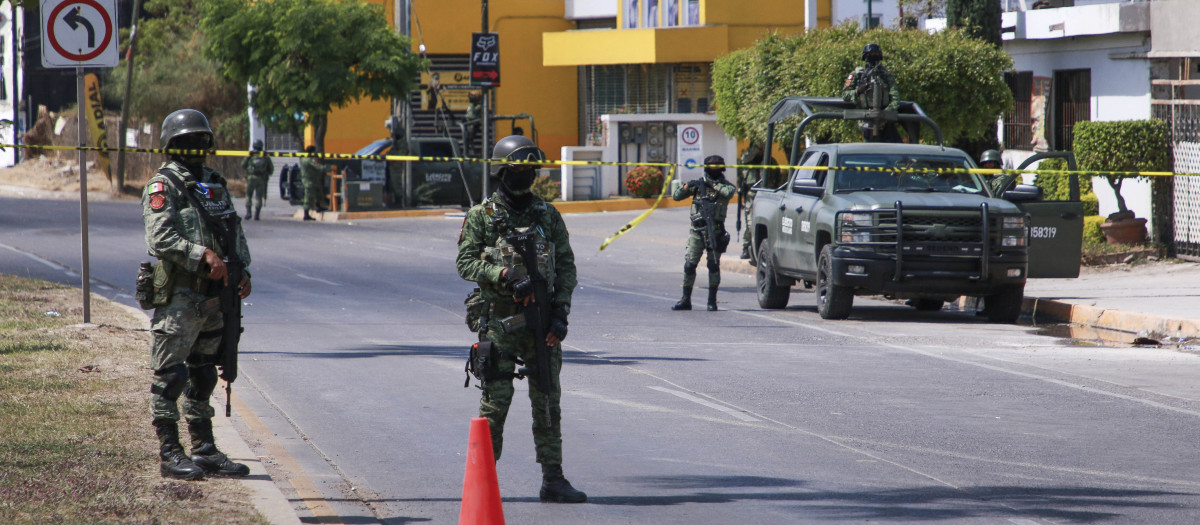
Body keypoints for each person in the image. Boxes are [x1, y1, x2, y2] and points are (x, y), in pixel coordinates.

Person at [456, 135, 586, 504]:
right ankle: (484, 483)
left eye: (531, 169)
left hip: (542, 324)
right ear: (501, 172)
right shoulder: (482, 216)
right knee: (495, 406)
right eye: (519, 169)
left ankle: (553, 479)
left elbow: (566, 267)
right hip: (499, 324)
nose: (527, 175)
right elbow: (465, 263)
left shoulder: (546, 214)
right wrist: (504, 275)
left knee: (547, 403)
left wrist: (561, 313)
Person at [142, 109, 252, 480]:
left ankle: (204, 449)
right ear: (171, 146)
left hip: (216, 298)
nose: (193, 147)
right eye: (184, 141)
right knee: (171, 376)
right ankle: (170, 452)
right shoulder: (163, 185)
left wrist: (242, 269)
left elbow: (232, 230)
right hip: (181, 296)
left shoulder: (214, 183)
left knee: (203, 374)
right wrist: (200, 255)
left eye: (199, 140)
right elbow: (160, 238)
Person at [671, 155, 736, 311]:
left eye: (717, 167)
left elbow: (728, 193)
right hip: (697, 231)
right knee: (689, 265)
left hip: (715, 231)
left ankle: (712, 301)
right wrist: (688, 186)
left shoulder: (726, 186)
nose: (714, 170)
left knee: (713, 265)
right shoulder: (698, 185)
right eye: (711, 168)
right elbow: (676, 196)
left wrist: (712, 185)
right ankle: (686, 299)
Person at [842, 43, 902, 143]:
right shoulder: (856, 74)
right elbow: (845, 95)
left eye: (875, 55)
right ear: (865, 57)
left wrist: (884, 114)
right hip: (865, 119)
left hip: (885, 120)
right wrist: (858, 91)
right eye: (869, 56)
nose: (872, 58)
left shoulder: (886, 74)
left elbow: (895, 98)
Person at [737, 143, 765, 259]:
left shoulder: (769, 162)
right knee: (749, 224)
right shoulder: (747, 161)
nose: (760, 150)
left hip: (766, 197)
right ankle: (746, 247)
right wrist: (756, 149)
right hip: (751, 196)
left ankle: (759, 250)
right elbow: (745, 157)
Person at [241, 140, 274, 221]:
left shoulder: (251, 155)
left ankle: (248, 213)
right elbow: (271, 169)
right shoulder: (265, 156)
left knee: (248, 195)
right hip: (261, 179)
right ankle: (257, 215)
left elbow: (243, 165)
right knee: (259, 197)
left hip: (251, 178)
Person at [299, 145, 325, 221]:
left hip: (310, 180)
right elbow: (318, 167)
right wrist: (328, 168)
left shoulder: (303, 159)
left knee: (317, 194)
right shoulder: (309, 160)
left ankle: (318, 207)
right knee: (308, 198)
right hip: (309, 181)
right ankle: (306, 215)